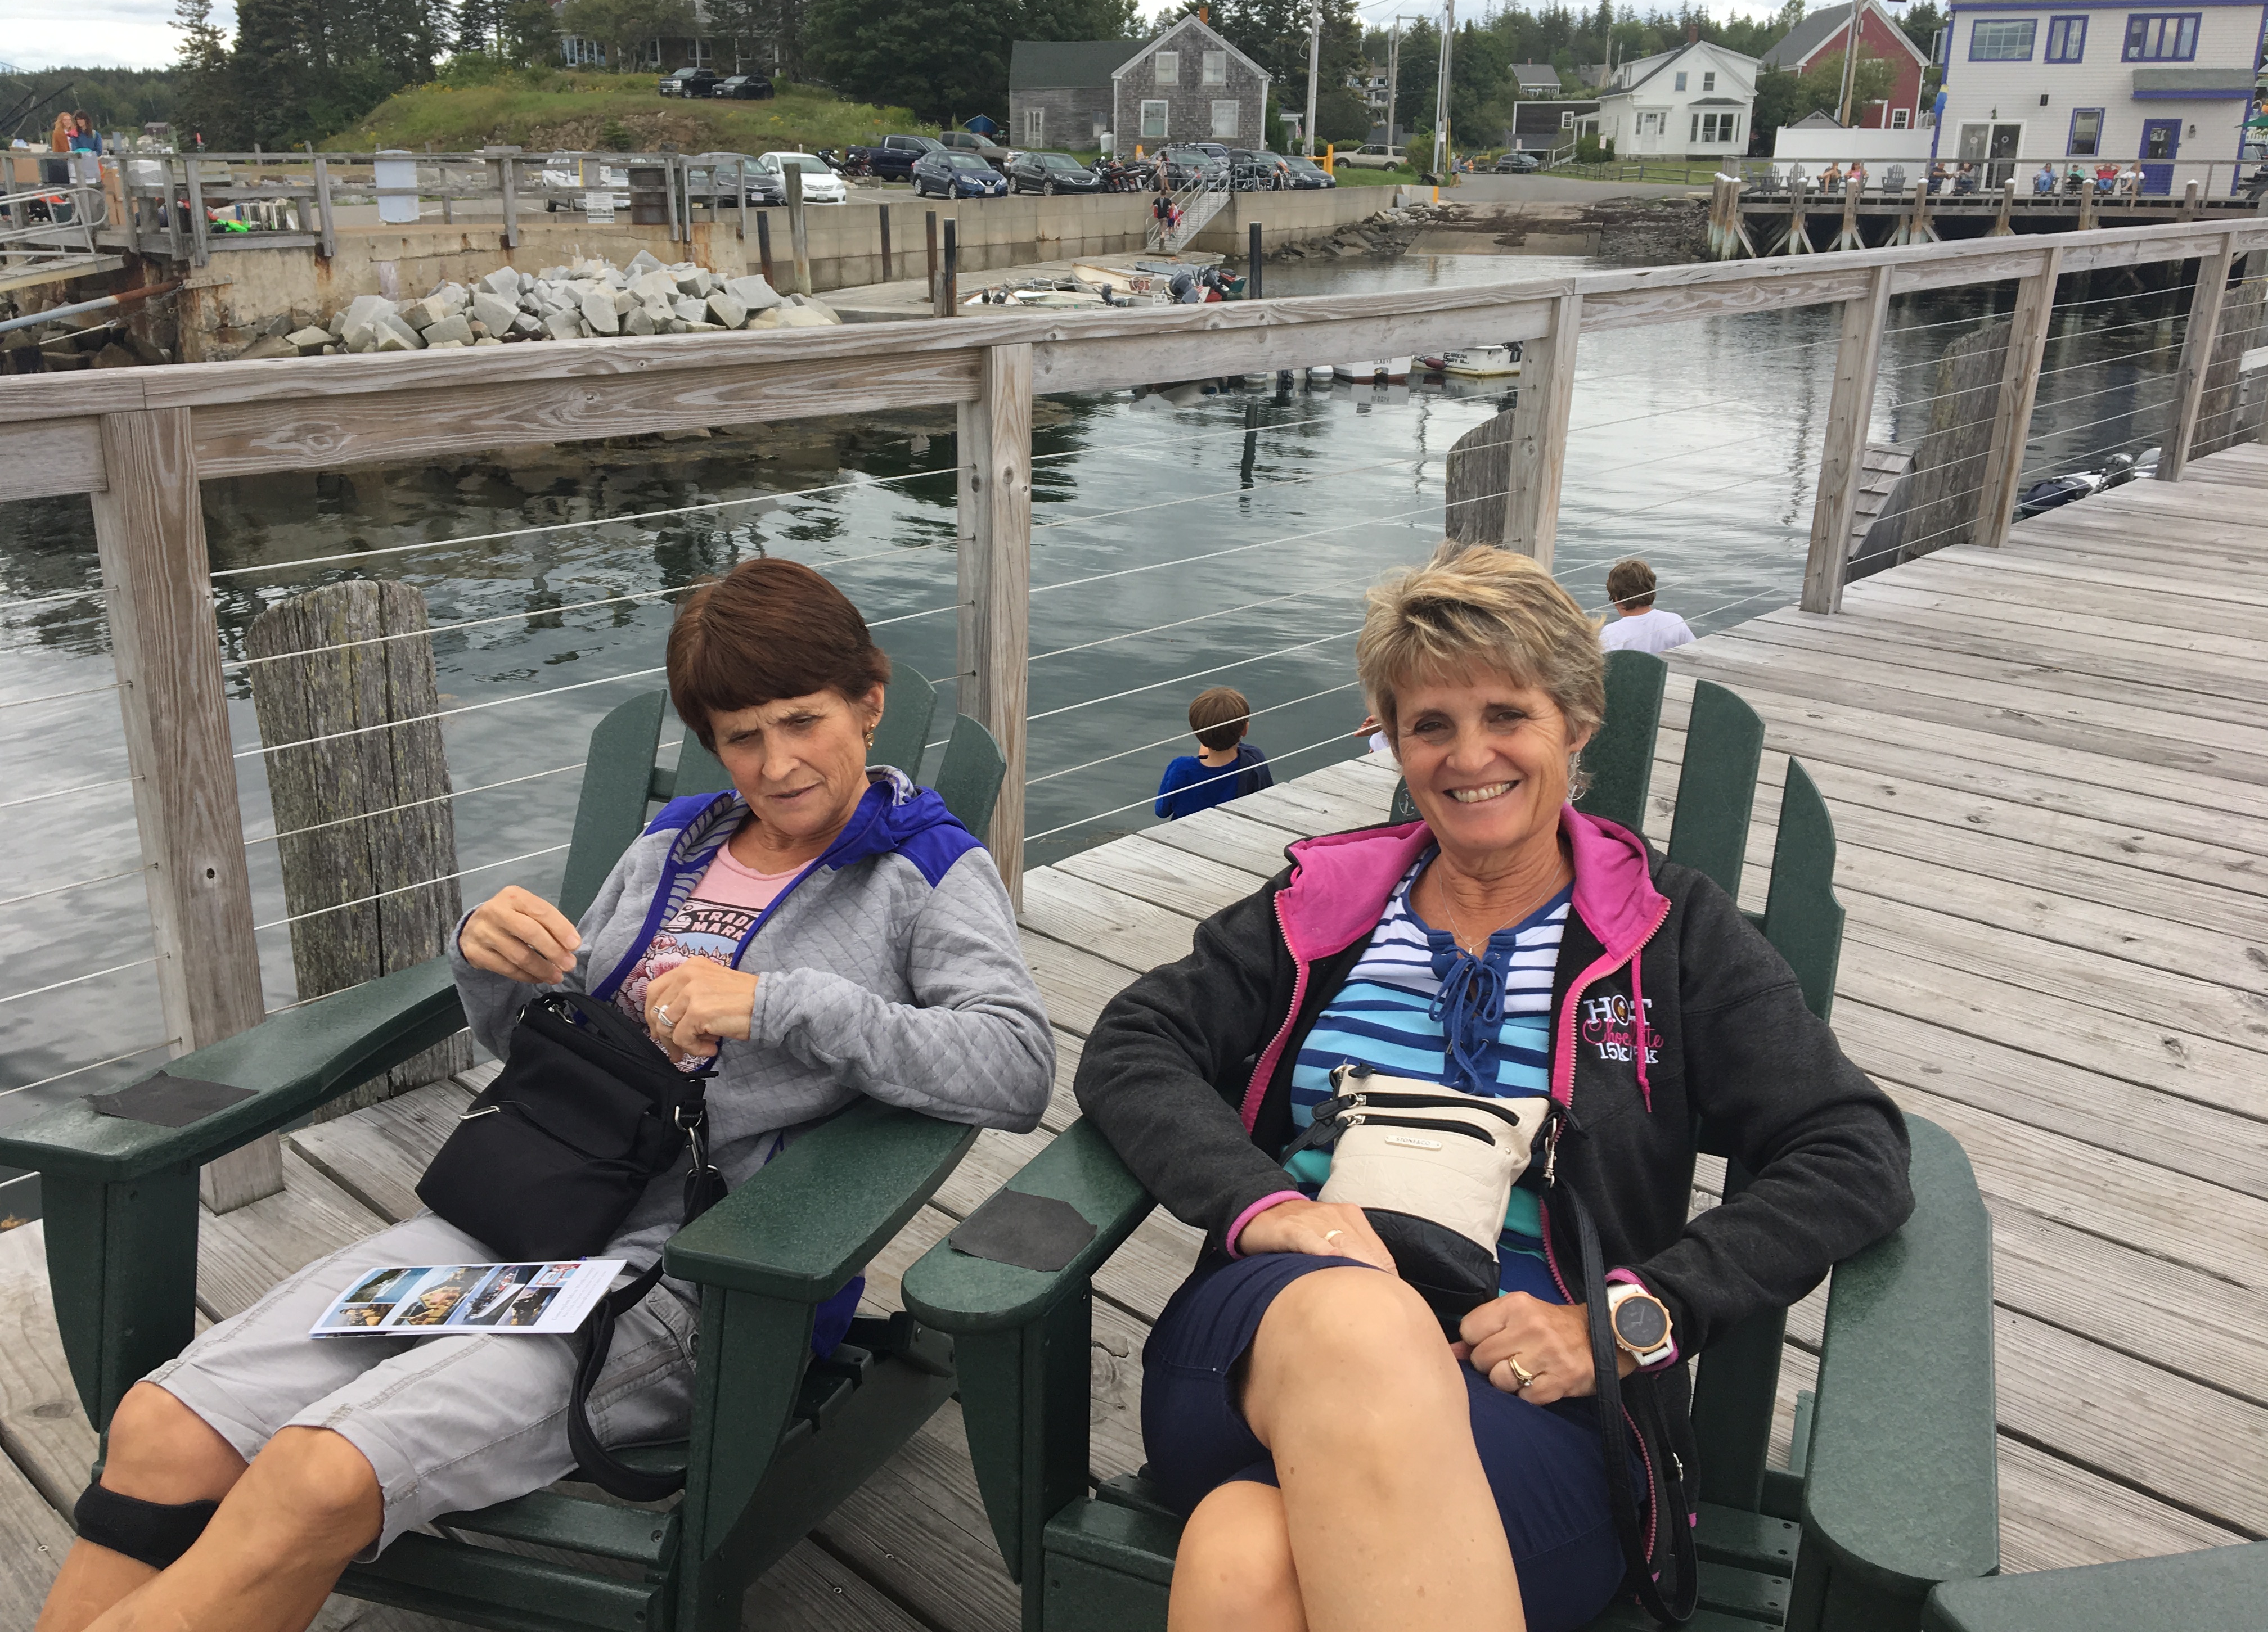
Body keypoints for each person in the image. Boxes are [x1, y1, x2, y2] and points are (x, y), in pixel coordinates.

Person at [35, 557, 1056, 1632]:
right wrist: (488, 958)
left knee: (315, 1474)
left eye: (803, 720)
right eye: (741, 736)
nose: (778, 762)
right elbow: (540, 1045)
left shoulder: (923, 872)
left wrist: (779, 1003)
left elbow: (1016, 1063)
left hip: (678, 1280)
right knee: (164, 1424)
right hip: (517, 1222)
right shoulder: (675, 844)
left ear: (868, 699)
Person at [1079, 541, 1912, 1632]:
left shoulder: (1667, 937)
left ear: (1576, 720)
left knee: (1245, 1555)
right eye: (1431, 723)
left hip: (1539, 1395)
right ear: (1394, 739)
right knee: (1356, 1323)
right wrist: (1265, 1206)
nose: (1470, 756)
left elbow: (1852, 1148)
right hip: (1264, 1341)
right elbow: (1135, 1040)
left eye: (1507, 714)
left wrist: (1625, 1321)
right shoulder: (1325, 905)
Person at [1155, 686, 1275, 820]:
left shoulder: (1181, 769)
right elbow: (1267, 800)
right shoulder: (1253, 759)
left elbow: (1161, 811)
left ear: (1196, 733)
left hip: (1187, 831)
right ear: (1245, 730)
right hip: (1235, 829)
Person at [1597, 557, 1696, 655]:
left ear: (1616, 598)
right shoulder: (1674, 621)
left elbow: (1602, 664)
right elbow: (1694, 653)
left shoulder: (1612, 632)